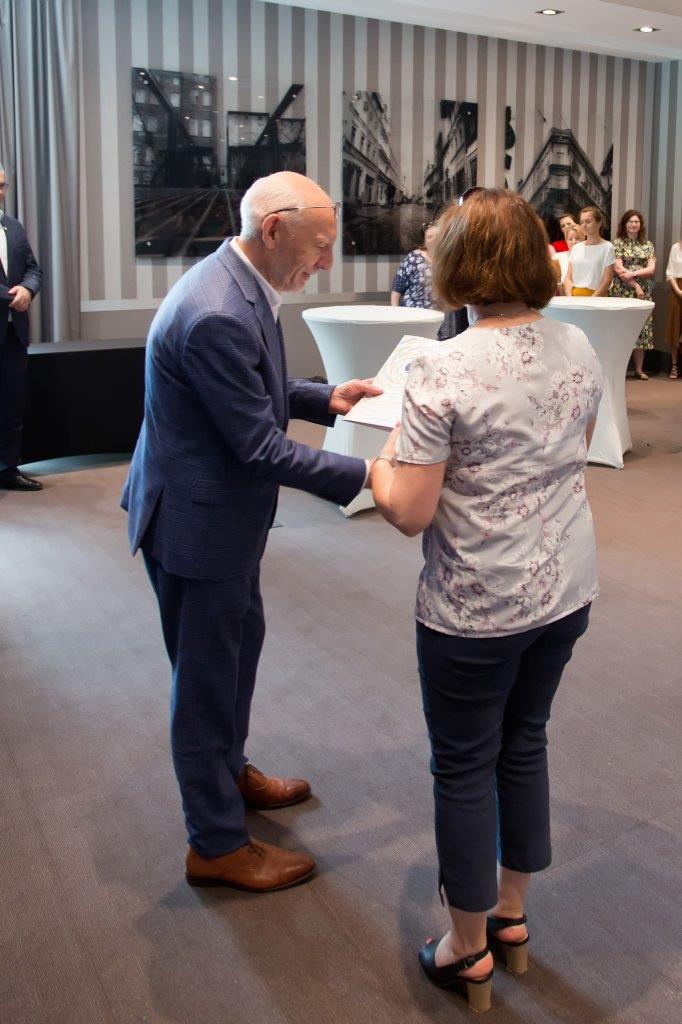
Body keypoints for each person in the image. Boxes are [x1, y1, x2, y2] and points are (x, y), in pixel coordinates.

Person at [371, 188, 602, 1012]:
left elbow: (409, 511)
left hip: (476, 604)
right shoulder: (578, 343)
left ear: (455, 265)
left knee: (464, 764)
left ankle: (465, 950)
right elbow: (572, 452)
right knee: (525, 742)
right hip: (564, 588)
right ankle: (510, 916)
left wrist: (380, 461)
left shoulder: (442, 366)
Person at [122, 172, 381, 893]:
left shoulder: (238, 283)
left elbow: (250, 388)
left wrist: (326, 397)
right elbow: (259, 447)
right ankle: (215, 844)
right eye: (319, 246)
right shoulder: (219, 311)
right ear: (273, 230)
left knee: (237, 651)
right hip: (197, 524)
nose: (326, 261)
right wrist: (369, 477)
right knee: (206, 683)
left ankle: (229, 772)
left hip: (219, 517)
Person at [0, 162, 43, 491]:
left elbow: (33, 268)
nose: (0, 192)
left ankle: (7, 470)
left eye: (2, 186)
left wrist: (28, 289)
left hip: (14, 333)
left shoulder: (13, 226)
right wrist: (11, 296)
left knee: (11, 405)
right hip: (10, 312)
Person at [610, 210, 656, 380]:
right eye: (630, 221)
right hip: (622, 291)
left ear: (640, 224)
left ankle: (639, 369)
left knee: (641, 330)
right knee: (620, 329)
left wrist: (634, 274)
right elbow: (618, 269)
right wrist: (636, 285)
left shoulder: (648, 244)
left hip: (643, 293)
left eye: (636, 221)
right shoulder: (618, 243)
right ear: (625, 224)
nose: (633, 224)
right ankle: (618, 369)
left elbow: (651, 269)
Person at [564, 206, 614, 298]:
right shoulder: (576, 248)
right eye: (581, 222)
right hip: (575, 297)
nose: (584, 225)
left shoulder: (607, 247)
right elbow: (568, 278)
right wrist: (570, 298)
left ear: (599, 223)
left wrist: (590, 301)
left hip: (597, 298)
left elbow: (607, 281)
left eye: (588, 222)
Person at [390, 222, 440, 310]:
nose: (433, 240)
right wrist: (395, 312)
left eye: (437, 236)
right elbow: (397, 289)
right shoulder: (413, 258)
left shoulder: (448, 259)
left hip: (439, 314)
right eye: (430, 237)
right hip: (412, 312)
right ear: (424, 241)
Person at [665, 237, 682, 379]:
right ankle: (674, 365)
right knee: (674, 327)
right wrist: (678, 291)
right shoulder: (675, 247)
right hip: (677, 289)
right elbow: (670, 273)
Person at [553, 223, 585, 288]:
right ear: (566, 241)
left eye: (577, 238)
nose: (574, 242)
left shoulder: (590, 257)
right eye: (570, 239)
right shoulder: (557, 257)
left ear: (583, 239)